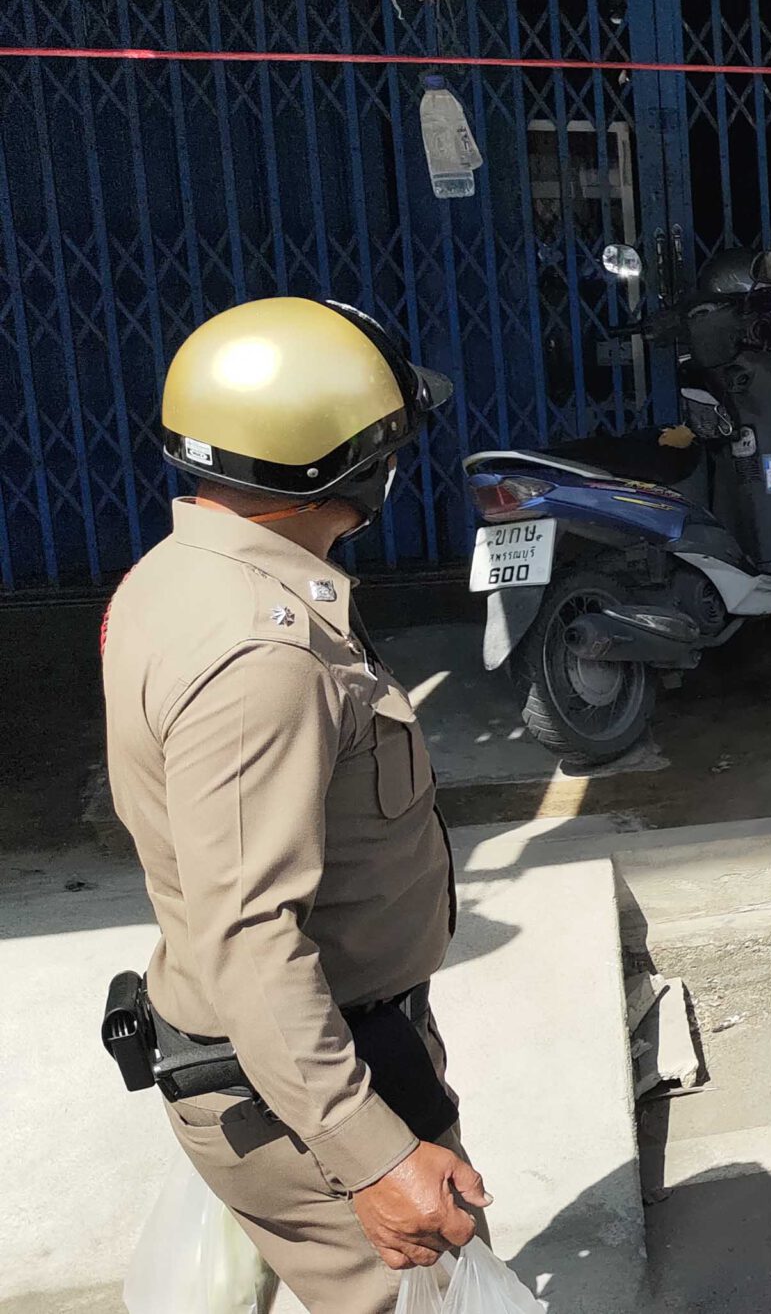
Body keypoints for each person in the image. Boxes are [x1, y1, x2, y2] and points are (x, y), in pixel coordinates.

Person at [101, 298, 488, 1311]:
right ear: (351, 469)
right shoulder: (262, 659)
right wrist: (374, 1156)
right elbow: (250, 936)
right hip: (313, 1089)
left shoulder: (179, 574)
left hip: (304, 1059)